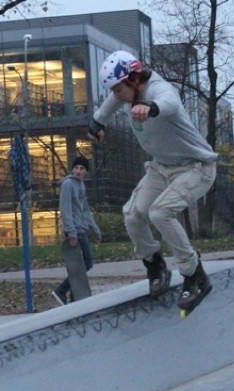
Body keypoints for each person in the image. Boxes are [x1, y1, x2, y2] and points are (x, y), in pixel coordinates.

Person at [88, 51, 217, 311]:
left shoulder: (159, 89)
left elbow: (169, 101)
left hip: (196, 168)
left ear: (134, 79)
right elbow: (109, 105)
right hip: (162, 168)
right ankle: (155, 266)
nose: (117, 96)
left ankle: (195, 276)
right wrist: (97, 123)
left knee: (160, 212)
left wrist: (152, 108)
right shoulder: (125, 93)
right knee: (133, 215)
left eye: (119, 89)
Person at [52, 154, 101, 305]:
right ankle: (61, 290)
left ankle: (75, 296)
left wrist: (95, 229)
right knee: (87, 262)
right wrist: (71, 232)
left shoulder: (81, 185)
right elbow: (65, 209)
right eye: (76, 168)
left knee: (80, 264)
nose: (79, 171)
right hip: (74, 230)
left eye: (82, 168)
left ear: (85, 171)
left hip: (81, 228)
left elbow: (85, 210)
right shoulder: (67, 185)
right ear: (72, 169)